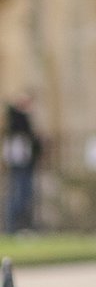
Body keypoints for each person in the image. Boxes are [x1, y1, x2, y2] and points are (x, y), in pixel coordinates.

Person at [4, 95, 39, 234]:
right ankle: (13, 226)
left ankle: (22, 225)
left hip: (25, 163)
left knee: (25, 195)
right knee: (18, 195)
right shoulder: (17, 121)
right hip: (20, 165)